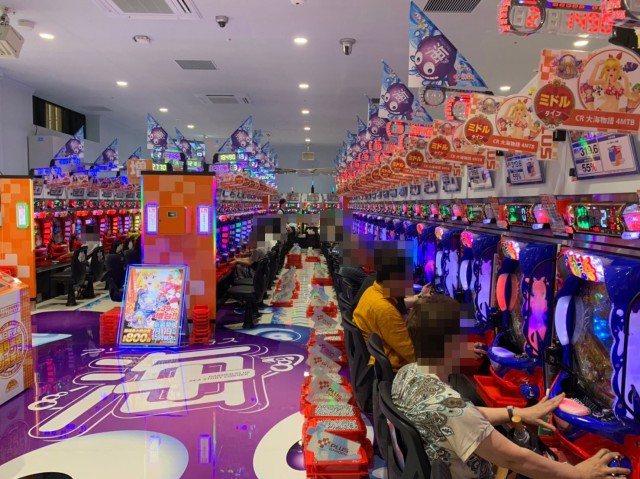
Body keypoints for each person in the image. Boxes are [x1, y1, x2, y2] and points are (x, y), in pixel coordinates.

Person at [392, 293, 631, 479]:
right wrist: (577, 472)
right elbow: (517, 460)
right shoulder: (453, 411)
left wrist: (515, 412)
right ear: (451, 344)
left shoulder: (406, 375)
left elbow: (459, 414)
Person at [352, 247, 430, 371]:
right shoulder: (384, 310)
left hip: (376, 362)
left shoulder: (372, 291)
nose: (411, 284)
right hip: (392, 369)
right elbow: (413, 355)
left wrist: (420, 296)